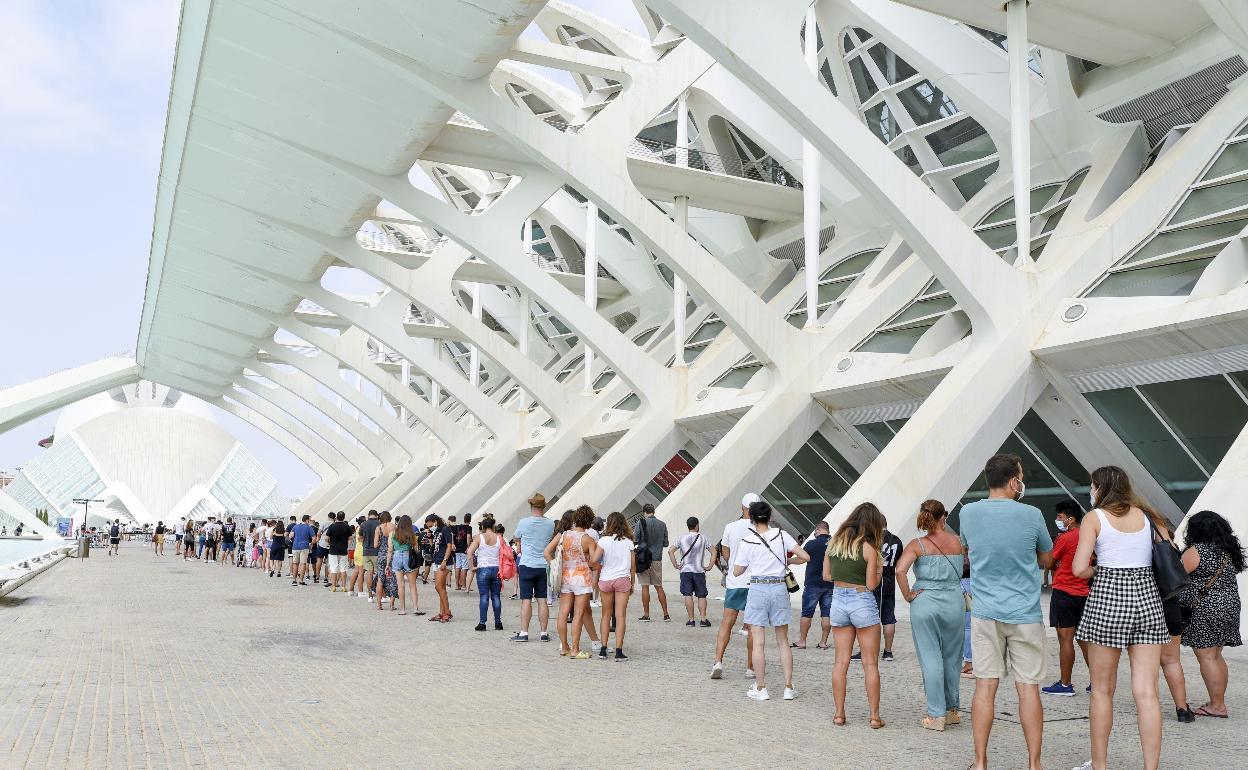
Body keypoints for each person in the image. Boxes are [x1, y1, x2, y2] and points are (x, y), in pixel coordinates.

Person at [1071, 466, 1171, 770]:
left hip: (1109, 599)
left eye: (1092, 486)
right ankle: (1150, 767)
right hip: (1147, 599)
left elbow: (1078, 569)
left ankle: (1100, 765)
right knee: (1147, 693)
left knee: (1102, 689)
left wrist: (1097, 570)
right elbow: (1168, 552)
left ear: (1100, 488)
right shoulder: (1149, 516)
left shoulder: (1095, 518)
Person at [960, 454, 1053, 770]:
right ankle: (1034, 764)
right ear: (1015, 481)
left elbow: (967, 549)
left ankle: (980, 761)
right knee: (1028, 688)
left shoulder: (968, 513)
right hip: (1025, 613)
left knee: (985, 685)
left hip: (985, 613)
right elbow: (1046, 558)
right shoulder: (1032, 514)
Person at [895, 499, 965, 731]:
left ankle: (936, 715)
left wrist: (908, 595)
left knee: (930, 658)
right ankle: (952, 710)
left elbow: (900, 570)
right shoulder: (956, 542)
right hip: (954, 602)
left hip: (925, 601)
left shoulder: (918, 544)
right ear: (943, 516)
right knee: (952, 658)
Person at [734, 501, 808, 701]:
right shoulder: (782, 535)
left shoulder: (748, 541)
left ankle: (761, 687)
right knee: (783, 641)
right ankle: (788, 687)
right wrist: (788, 560)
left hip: (758, 588)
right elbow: (805, 556)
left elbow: (737, 570)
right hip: (778, 588)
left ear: (751, 517)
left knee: (758, 642)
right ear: (770, 516)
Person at [826, 502, 886, 726]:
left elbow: (826, 575)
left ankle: (839, 714)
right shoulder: (869, 549)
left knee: (841, 662)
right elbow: (871, 585)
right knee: (870, 664)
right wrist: (879, 571)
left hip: (838, 599)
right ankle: (874, 717)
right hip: (861, 600)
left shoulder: (834, 545)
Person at [1180, 510, 1244, 718]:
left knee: (1207, 657)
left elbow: (1177, 575)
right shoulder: (1227, 551)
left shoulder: (1197, 550)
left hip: (1206, 607)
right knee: (1216, 655)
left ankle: (1217, 706)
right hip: (1229, 605)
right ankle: (1218, 701)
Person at [1041, 500, 1092, 698]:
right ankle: (1096, 681)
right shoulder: (1089, 536)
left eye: (1060, 517)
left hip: (1064, 592)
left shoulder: (1066, 537)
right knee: (1084, 639)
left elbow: (1049, 560)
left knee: (1066, 640)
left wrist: (1052, 560)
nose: (1057, 520)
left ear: (1070, 519)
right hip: (1084, 592)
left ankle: (1065, 684)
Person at [712, 493, 760, 680]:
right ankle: (750, 668)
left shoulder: (731, 527)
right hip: (755, 583)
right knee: (753, 627)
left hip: (735, 581)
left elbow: (725, 553)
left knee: (727, 623)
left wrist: (734, 564)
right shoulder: (763, 528)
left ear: (742, 507)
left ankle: (718, 661)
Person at [545, 506, 598, 658]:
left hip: (565, 577)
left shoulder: (563, 535)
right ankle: (575, 649)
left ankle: (564, 647)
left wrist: (554, 565)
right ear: (589, 521)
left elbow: (546, 552)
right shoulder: (588, 539)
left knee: (563, 612)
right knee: (579, 614)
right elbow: (594, 563)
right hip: (581, 579)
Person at [592, 512, 636, 660]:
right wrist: (633, 583)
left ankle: (603, 649)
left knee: (605, 614)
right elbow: (633, 566)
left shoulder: (603, 541)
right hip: (622, 579)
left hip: (606, 580)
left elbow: (594, 560)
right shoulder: (629, 542)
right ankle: (618, 651)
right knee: (620, 615)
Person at [511, 494, 555, 642]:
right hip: (542, 565)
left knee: (526, 599)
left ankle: (524, 632)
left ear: (531, 506)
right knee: (542, 599)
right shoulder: (550, 524)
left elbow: (516, 537)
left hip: (527, 564)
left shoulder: (524, 522)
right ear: (544, 507)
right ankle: (543, 633)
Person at [794, 521, 833, 650]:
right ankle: (823, 642)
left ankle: (802, 641)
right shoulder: (836, 543)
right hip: (830, 584)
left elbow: (801, 559)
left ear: (818, 529)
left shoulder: (812, 543)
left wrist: (788, 561)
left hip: (813, 584)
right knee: (826, 614)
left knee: (807, 613)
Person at [669, 516, 713, 627]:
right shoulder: (703, 538)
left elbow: (670, 551)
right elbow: (714, 551)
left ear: (688, 526)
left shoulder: (682, 538)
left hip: (685, 571)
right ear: (697, 525)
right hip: (699, 570)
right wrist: (709, 566)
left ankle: (691, 620)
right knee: (701, 595)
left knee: (687, 594)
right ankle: (703, 619)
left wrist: (676, 565)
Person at [633, 504, 670, 622]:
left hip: (644, 559)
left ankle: (646, 614)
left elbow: (636, 539)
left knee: (645, 587)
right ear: (653, 511)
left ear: (644, 512)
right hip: (657, 558)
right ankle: (666, 614)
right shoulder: (662, 524)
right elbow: (665, 543)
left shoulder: (640, 523)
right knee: (659, 587)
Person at [467, 517, 504, 630]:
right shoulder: (499, 538)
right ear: (493, 526)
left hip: (483, 569)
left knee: (484, 596)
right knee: (496, 596)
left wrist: (472, 567)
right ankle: (498, 622)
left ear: (483, 526)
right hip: (496, 569)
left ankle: (482, 623)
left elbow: (469, 553)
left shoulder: (479, 538)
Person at [387, 514, 422, 615]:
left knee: (400, 585)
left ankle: (402, 609)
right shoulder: (412, 534)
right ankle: (415, 608)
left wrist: (387, 564)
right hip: (408, 556)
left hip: (397, 557)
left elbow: (390, 550)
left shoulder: (392, 533)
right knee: (412, 585)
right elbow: (416, 548)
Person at [428, 514, 454, 621]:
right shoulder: (437, 531)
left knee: (438, 587)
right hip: (437, 560)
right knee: (441, 588)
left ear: (434, 521)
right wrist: (430, 538)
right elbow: (435, 547)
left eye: (430, 525)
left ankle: (447, 612)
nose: (430, 527)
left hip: (444, 562)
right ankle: (442, 612)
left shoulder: (445, 529)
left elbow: (449, 545)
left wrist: (445, 560)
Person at [374, 512, 397, 612]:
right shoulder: (394, 527)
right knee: (393, 579)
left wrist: (380, 542)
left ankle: (379, 605)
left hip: (381, 555)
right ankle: (392, 605)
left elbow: (375, 545)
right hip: (392, 555)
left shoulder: (378, 528)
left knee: (380, 579)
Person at [323, 512, 352, 592]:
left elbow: (326, 538)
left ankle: (333, 586)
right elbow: (350, 538)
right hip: (343, 551)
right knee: (343, 569)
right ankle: (343, 587)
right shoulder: (347, 526)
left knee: (333, 569)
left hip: (333, 550)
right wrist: (347, 546)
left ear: (336, 517)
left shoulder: (332, 526)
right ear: (344, 517)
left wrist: (329, 542)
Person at [357, 510, 380, 601]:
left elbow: (360, 537)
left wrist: (364, 543)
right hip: (377, 551)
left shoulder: (363, 524)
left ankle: (370, 595)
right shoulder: (380, 524)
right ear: (377, 515)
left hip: (366, 551)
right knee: (380, 573)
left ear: (368, 515)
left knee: (369, 573)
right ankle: (381, 595)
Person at [289, 515, 315, 586]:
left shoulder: (295, 526)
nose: (309, 522)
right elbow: (314, 538)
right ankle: (301, 580)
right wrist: (311, 544)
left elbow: (290, 536)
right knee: (303, 563)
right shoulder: (309, 528)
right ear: (307, 520)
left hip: (295, 547)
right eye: (309, 520)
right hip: (304, 547)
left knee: (295, 563)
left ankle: (294, 580)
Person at [451, 513, 473, 591]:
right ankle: (463, 585)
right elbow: (468, 537)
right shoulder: (469, 527)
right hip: (464, 549)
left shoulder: (457, 527)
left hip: (457, 549)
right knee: (464, 567)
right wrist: (468, 546)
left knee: (458, 566)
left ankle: (457, 585)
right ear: (470, 520)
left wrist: (453, 544)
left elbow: (452, 535)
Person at [418, 519, 435, 585]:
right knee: (427, 565)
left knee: (418, 565)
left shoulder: (420, 534)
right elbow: (432, 544)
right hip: (428, 552)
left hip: (421, 550)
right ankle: (424, 579)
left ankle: (415, 576)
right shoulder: (431, 534)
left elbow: (417, 542)